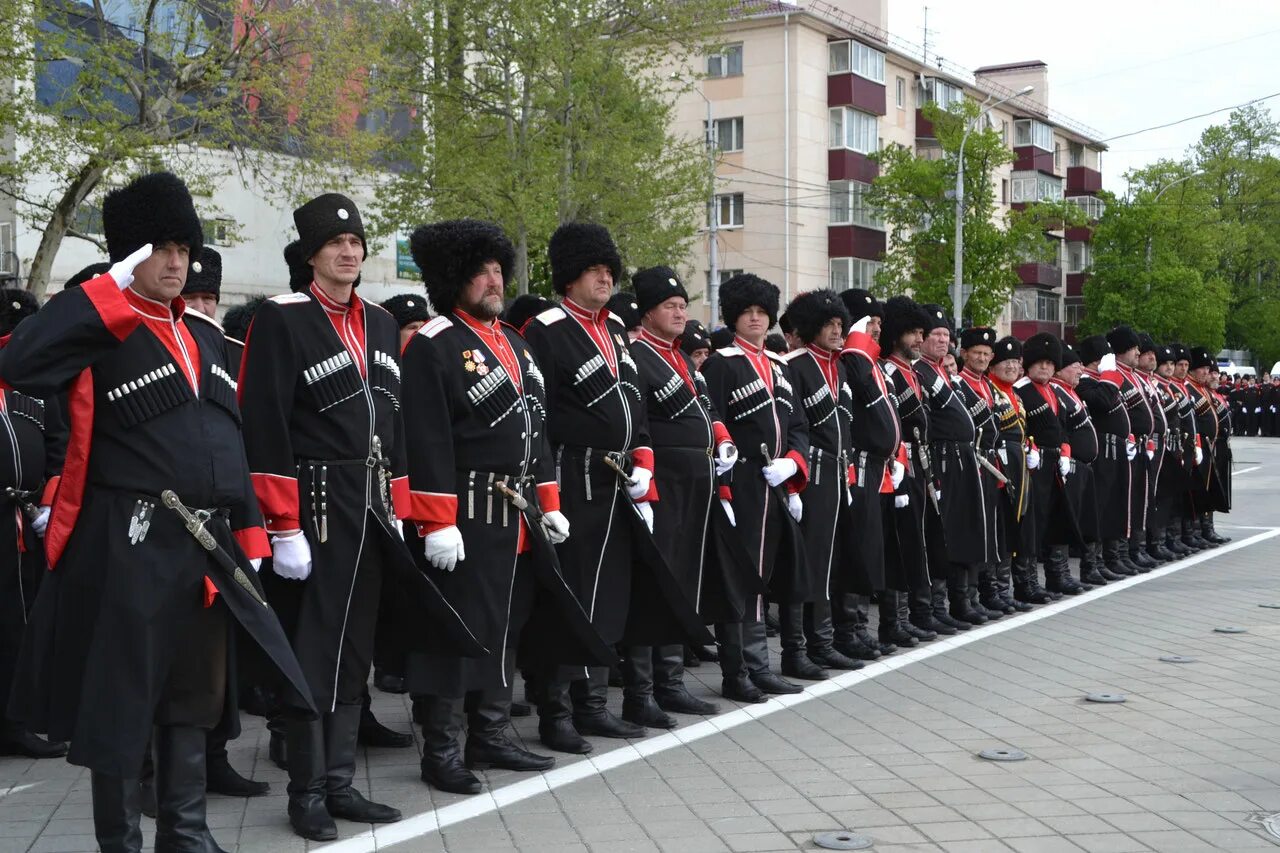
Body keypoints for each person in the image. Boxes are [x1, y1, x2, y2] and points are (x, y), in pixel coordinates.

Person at [0, 171, 314, 853]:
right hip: (126, 546)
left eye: (184, 247)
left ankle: (187, 832)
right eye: (161, 248)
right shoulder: (100, 328)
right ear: (127, 256)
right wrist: (102, 291)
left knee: (190, 700)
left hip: (203, 547)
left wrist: (252, 530)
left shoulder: (202, 339)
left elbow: (229, 443)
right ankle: (120, 842)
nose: (178, 262)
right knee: (121, 708)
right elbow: (21, 361)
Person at [238, 192, 480, 840]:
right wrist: (282, 524)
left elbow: (394, 423)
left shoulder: (376, 321)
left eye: (355, 243)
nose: (348, 251)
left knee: (354, 652)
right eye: (334, 244)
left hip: (370, 503)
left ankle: (341, 782)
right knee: (316, 648)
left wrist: (400, 508)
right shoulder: (281, 318)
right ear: (312, 254)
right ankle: (308, 791)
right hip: (315, 503)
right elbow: (263, 427)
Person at [401, 219, 614, 794]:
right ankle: (442, 749)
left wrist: (549, 500)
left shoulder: (516, 344)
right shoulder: (433, 342)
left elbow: (536, 430)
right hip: (467, 512)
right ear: (455, 278)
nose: (494, 280)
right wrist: (437, 520)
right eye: (482, 271)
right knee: (459, 629)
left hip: (518, 512)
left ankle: (491, 732)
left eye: (498, 270)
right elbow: (426, 438)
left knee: (509, 625)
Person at [522, 223, 709, 749]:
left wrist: (643, 461)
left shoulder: (611, 331)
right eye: (594, 270)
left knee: (609, 596)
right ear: (571, 275)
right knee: (575, 595)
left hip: (618, 480)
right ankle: (558, 714)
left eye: (609, 270)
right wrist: (547, 493)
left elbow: (637, 408)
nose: (605, 278)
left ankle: (595, 703)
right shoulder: (547, 329)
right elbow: (539, 417)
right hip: (574, 474)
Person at [628, 265, 746, 717]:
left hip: (697, 483)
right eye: (669, 306)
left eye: (682, 306)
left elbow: (707, 409)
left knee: (684, 581)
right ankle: (641, 692)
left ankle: (671, 679)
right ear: (649, 312)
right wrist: (647, 484)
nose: (679, 313)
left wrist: (723, 438)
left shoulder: (679, 357)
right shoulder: (637, 355)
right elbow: (637, 425)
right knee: (657, 584)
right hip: (664, 486)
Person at [700, 273, 810, 701]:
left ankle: (760, 664)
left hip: (776, 482)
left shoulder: (781, 366)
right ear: (732, 317)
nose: (756, 320)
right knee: (742, 578)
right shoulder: (721, 363)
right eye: (748, 312)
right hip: (742, 481)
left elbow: (799, 424)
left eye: (762, 313)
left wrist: (794, 467)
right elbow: (715, 423)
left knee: (767, 576)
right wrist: (724, 490)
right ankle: (738, 670)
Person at [778, 289, 866, 677]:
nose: (836, 330)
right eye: (828, 324)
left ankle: (823, 642)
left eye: (839, 323)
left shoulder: (839, 367)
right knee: (807, 563)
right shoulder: (793, 365)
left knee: (829, 561)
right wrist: (796, 482)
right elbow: (791, 427)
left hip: (835, 472)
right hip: (808, 474)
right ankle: (796, 651)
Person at [0, 291, 67, 760]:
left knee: (22, 622)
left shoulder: (38, 384)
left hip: (26, 517)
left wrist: (49, 501)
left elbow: (61, 443)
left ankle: (17, 720)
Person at [832, 291, 908, 658]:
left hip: (880, 469)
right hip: (858, 466)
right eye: (870, 323)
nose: (878, 329)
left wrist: (898, 455)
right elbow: (859, 384)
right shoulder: (854, 359)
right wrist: (858, 340)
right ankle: (847, 629)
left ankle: (860, 624)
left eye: (877, 324)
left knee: (873, 550)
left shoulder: (872, 361)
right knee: (858, 549)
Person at [878, 296, 956, 640]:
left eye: (920, 332)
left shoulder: (912, 371)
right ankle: (896, 619)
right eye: (911, 333)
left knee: (922, 538)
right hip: (901, 462)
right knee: (904, 541)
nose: (918, 340)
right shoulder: (891, 371)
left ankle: (917, 612)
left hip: (920, 461)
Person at [913, 306, 990, 625]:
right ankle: (936, 606)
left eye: (946, 334)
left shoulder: (943, 372)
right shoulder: (920, 370)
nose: (942, 340)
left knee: (962, 531)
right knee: (943, 536)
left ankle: (961, 600)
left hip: (962, 457)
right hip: (942, 459)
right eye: (936, 334)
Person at [1014, 334, 1083, 598]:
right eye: (1039, 363)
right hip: (1034, 465)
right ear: (1029, 364)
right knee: (1031, 526)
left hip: (1055, 464)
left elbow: (1061, 428)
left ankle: (1059, 575)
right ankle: (1027, 582)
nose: (1044, 367)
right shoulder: (1022, 391)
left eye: (1049, 363)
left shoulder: (1053, 391)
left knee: (1057, 520)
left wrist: (1065, 451)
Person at [1075, 336, 1140, 577]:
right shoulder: (1086, 381)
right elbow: (1101, 402)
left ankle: (1115, 555)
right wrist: (1109, 376)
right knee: (1100, 508)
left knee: (1117, 504)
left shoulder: (1102, 379)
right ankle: (1094, 563)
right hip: (1102, 450)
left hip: (1118, 447)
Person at [956, 327, 1009, 618]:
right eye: (977, 353)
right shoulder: (961, 383)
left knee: (991, 529)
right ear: (964, 354)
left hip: (989, 464)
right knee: (975, 529)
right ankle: (970, 595)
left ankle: (986, 591)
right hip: (971, 463)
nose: (982, 358)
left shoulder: (988, 385)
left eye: (987, 354)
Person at [986, 337, 1036, 610]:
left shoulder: (1015, 394)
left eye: (1016, 362)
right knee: (1003, 526)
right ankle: (999, 590)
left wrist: (1031, 446)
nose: (1012, 366)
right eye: (1006, 362)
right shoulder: (991, 390)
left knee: (1020, 523)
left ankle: (1016, 585)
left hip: (1020, 464)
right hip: (1002, 464)